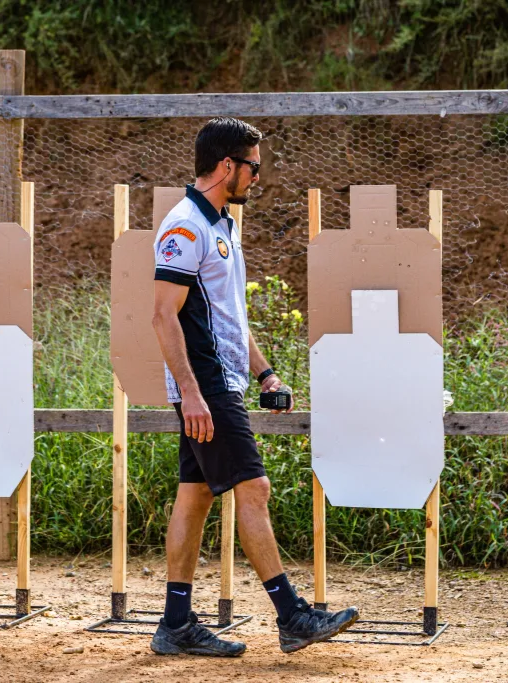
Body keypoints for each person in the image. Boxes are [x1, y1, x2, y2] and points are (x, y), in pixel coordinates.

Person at [150, 117, 359, 657]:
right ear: (227, 166)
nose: (258, 178)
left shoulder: (222, 224)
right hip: (207, 385)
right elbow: (162, 317)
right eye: (254, 167)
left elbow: (229, 318)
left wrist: (265, 374)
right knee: (254, 487)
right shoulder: (185, 227)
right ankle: (291, 616)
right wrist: (192, 394)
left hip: (221, 382)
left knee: (194, 496)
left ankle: (175, 624)